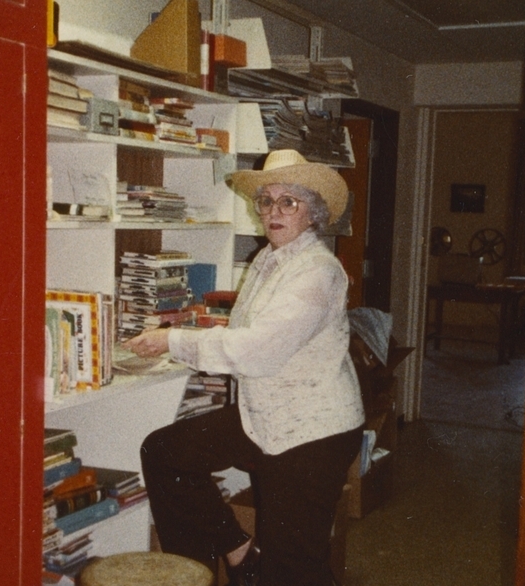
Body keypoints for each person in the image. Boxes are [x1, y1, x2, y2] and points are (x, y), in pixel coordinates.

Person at [123, 149, 365, 586]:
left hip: (313, 432)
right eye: (266, 201)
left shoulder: (318, 270)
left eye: (288, 202)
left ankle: (255, 566)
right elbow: (254, 328)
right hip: (266, 416)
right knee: (165, 454)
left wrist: (172, 340)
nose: (273, 211)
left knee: (294, 567)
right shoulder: (270, 259)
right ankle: (226, 559)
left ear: (313, 213)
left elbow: (259, 350)